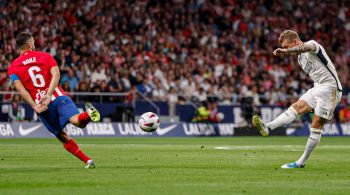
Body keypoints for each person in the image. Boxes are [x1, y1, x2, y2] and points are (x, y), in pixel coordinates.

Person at [8, 32, 101, 169]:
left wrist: (35, 106)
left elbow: (19, 88)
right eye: (33, 42)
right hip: (57, 96)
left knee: (61, 135)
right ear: (29, 45)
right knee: (77, 121)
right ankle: (88, 114)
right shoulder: (45, 56)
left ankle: (88, 161)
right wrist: (49, 94)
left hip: (42, 106)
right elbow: (56, 74)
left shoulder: (14, 66)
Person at [252, 30, 342, 169]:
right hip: (317, 87)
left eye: (287, 46)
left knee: (316, 125)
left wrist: (288, 52)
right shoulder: (300, 59)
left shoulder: (312, 45)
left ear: (294, 42)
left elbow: (306, 47)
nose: (286, 50)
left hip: (330, 89)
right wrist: (289, 52)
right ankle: (268, 126)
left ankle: (301, 162)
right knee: (296, 107)